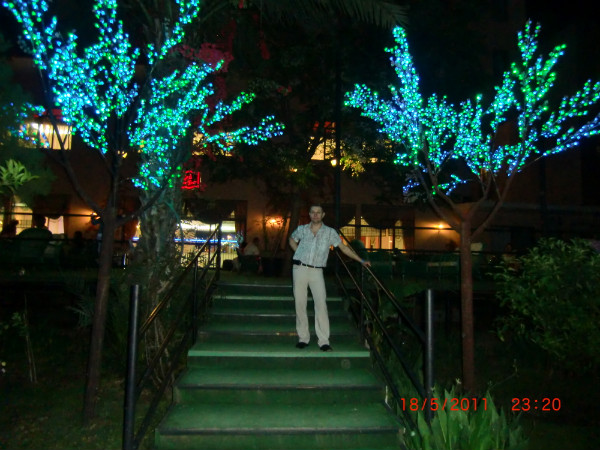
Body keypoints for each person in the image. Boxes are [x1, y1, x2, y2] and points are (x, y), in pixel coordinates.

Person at [289, 204, 370, 352]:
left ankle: (324, 341)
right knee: (300, 303)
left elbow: (343, 248)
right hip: (299, 269)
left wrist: (361, 260)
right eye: (313, 212)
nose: (315, 215)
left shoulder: (330, 232)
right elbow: (291, 239)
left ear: (323, 215)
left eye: (318, 212)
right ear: (309, 214)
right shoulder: (302, 229)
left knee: (321, 304)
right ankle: (303, 338)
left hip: (317, 271)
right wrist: (298, 252)